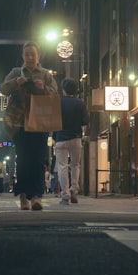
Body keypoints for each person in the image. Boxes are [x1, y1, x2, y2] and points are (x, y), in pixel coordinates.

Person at [1, 41, 59, 211]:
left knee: (39, 160)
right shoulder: (15, 72)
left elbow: (55, 93)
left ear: (38, 56)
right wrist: (15, 83)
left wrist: (44, 88)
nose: (30, 57)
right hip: (19, 122)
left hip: (40, 123)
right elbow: (3, 89)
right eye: (27, 54)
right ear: (23, 56)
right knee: (23, 160)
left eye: (33, 54)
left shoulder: (46, 74)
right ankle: (23, 196)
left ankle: (37, 196)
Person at [54, 77, 89, 205]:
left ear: (63, 89)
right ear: (76, 90)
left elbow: (52, 120)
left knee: (62, 166)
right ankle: (74, 190)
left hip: (60, 138)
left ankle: (65, 195)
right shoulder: (80, 103)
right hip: (76, 138)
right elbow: (85, 121)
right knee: (75, 165)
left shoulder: (57, 102)